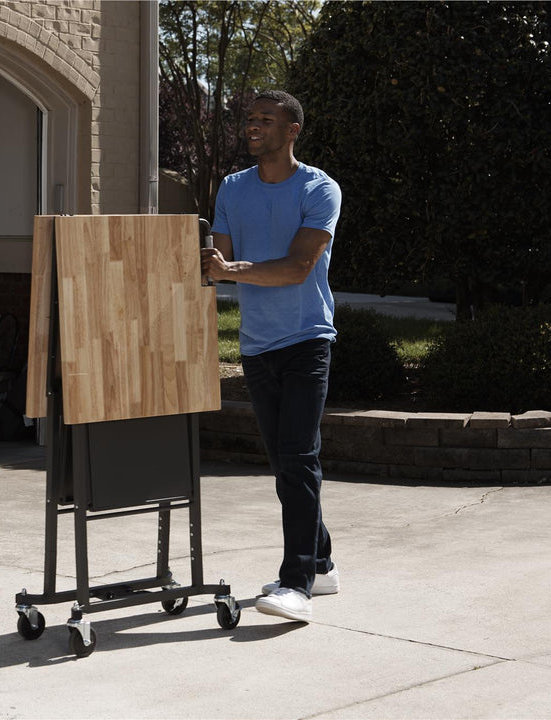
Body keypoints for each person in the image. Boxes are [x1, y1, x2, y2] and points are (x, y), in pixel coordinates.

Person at [201, 90, 341, 623]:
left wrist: (232, 270)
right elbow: (218, 264)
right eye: (250, 119)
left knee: (299, 458)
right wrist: (224, 268)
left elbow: (297, 266)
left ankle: (296, 583)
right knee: (286, 462)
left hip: (307, 338)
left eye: (267, 119)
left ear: (293, 130)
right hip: (256, 344)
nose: (254, 126)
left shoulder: (319, 188)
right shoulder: (233, 189)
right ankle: (322, 565)